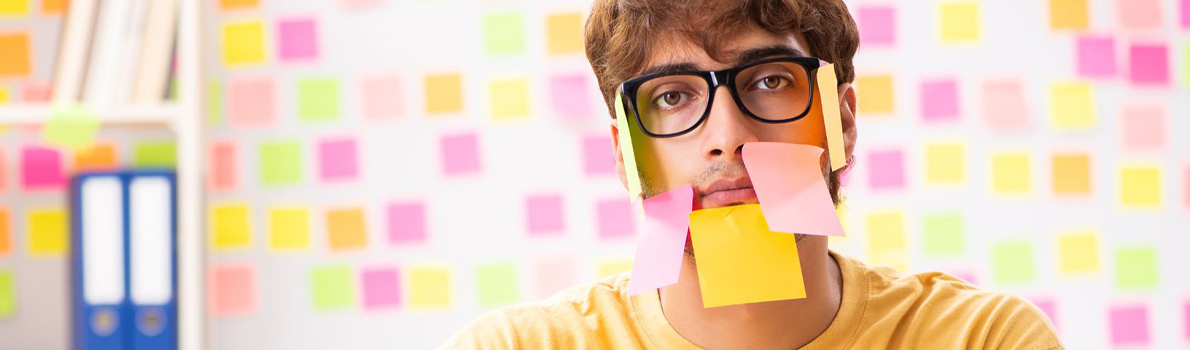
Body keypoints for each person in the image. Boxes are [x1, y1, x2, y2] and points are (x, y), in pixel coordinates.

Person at [440, 0, 1063, 349]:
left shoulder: (983, 340)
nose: (728, 138)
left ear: (841, 122)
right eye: (673, 97)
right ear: (625, 153)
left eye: (769, 82)